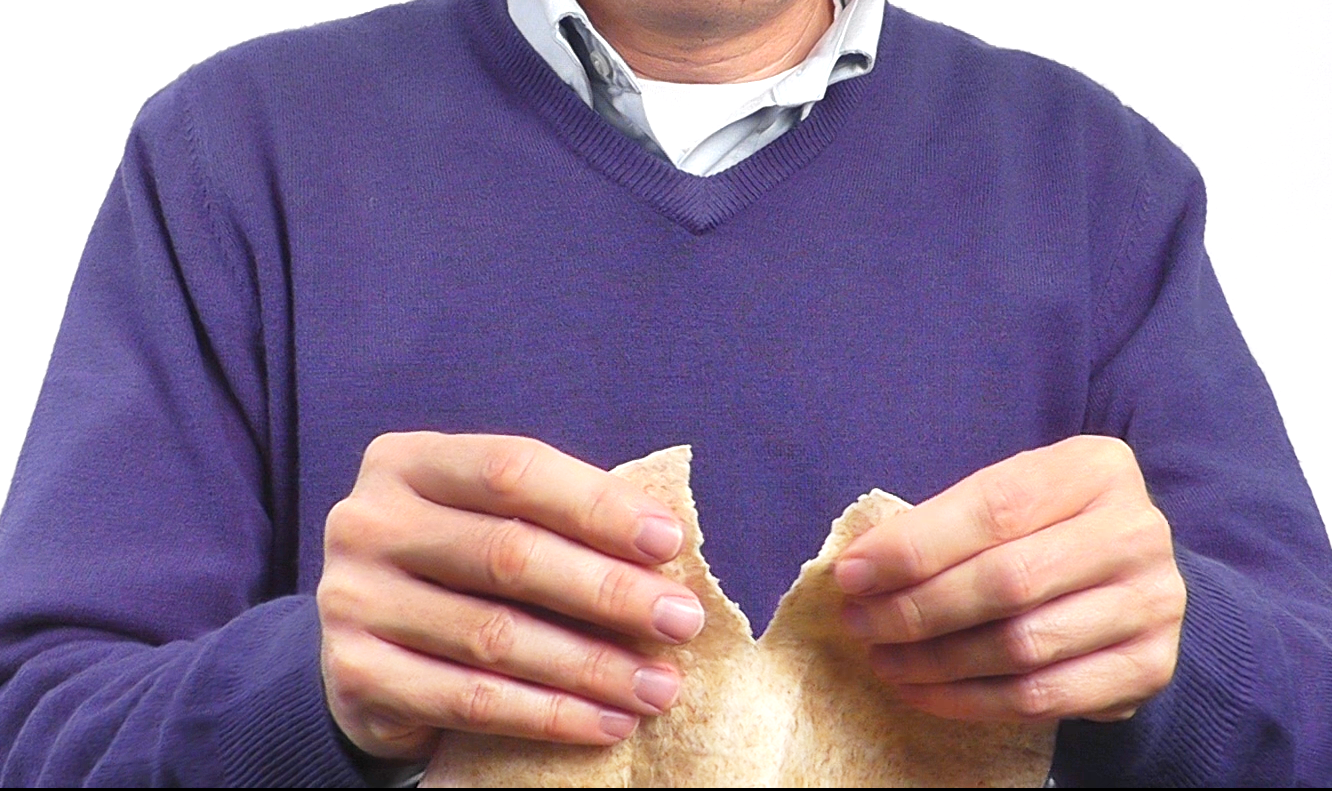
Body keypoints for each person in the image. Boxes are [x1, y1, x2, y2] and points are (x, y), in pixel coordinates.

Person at [0, 0, 1328, 786]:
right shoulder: (236, 156)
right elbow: (34, 724)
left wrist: (1174, 655)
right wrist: (316, 689)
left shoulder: (1097, 179)